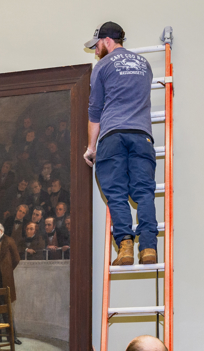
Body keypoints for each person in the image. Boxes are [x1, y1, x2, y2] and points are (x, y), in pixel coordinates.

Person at [83, 22, 158, 266]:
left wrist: (90, 148)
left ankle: (125, 248)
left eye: (96, 46)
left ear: (106, 41)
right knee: (144, 192)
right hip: (141, 136)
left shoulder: (102, 66)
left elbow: (95, 112)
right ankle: (148, 248)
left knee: (116, 193)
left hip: (113, 136)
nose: (95, 51)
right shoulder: (144, 65)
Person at [0, 223, 21, 345]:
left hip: (5, 279)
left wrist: (7, 270)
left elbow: (16, 259)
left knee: (7, 308)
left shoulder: (9, 241)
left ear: (1, 231)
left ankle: (12, 337)